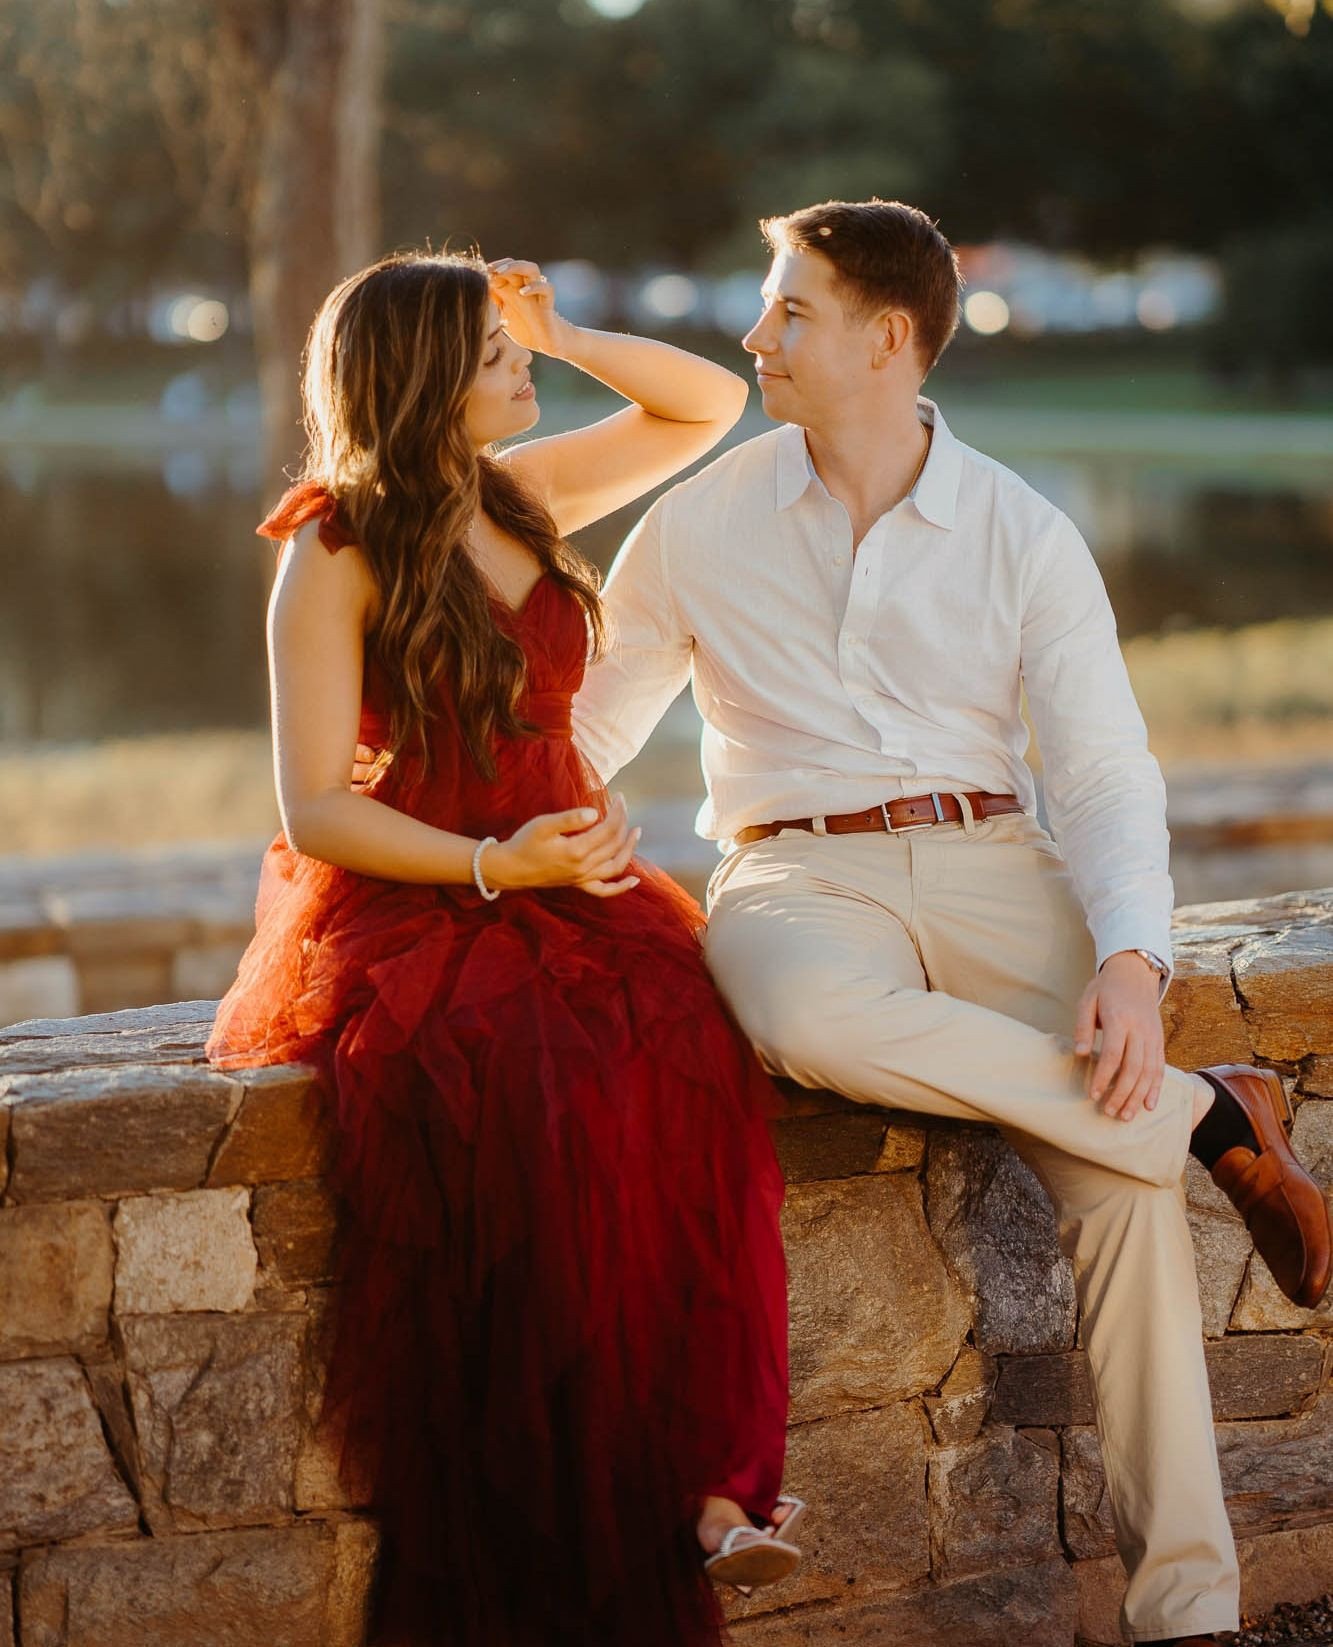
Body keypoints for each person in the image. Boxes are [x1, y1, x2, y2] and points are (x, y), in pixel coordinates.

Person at [565, 200, 1332, 1647]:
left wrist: (1124, 958)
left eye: (788, 312)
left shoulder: (1020, 534)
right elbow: (590, 728)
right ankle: (1206, 1119)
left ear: (888, 340)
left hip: (992, 858)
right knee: (797, 1016)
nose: (752, 338)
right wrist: (448, 800)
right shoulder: (700, 520)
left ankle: (1190, 1617)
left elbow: (1100, 768)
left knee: (1114, 1190)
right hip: (796, 879)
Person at [205, 248, 804, 1647]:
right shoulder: (333, 545)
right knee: (530, 1094)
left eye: (511, 345)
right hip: (428, 897)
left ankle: (711, 1489)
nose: (517, 370)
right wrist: (491, 864)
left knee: (689, 1054)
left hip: (573, 885)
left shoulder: (523, 499)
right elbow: (313, 807)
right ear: (417, 380)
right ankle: (606, 1498)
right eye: (490, 353)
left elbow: (701, 407)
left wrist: (563, 324)